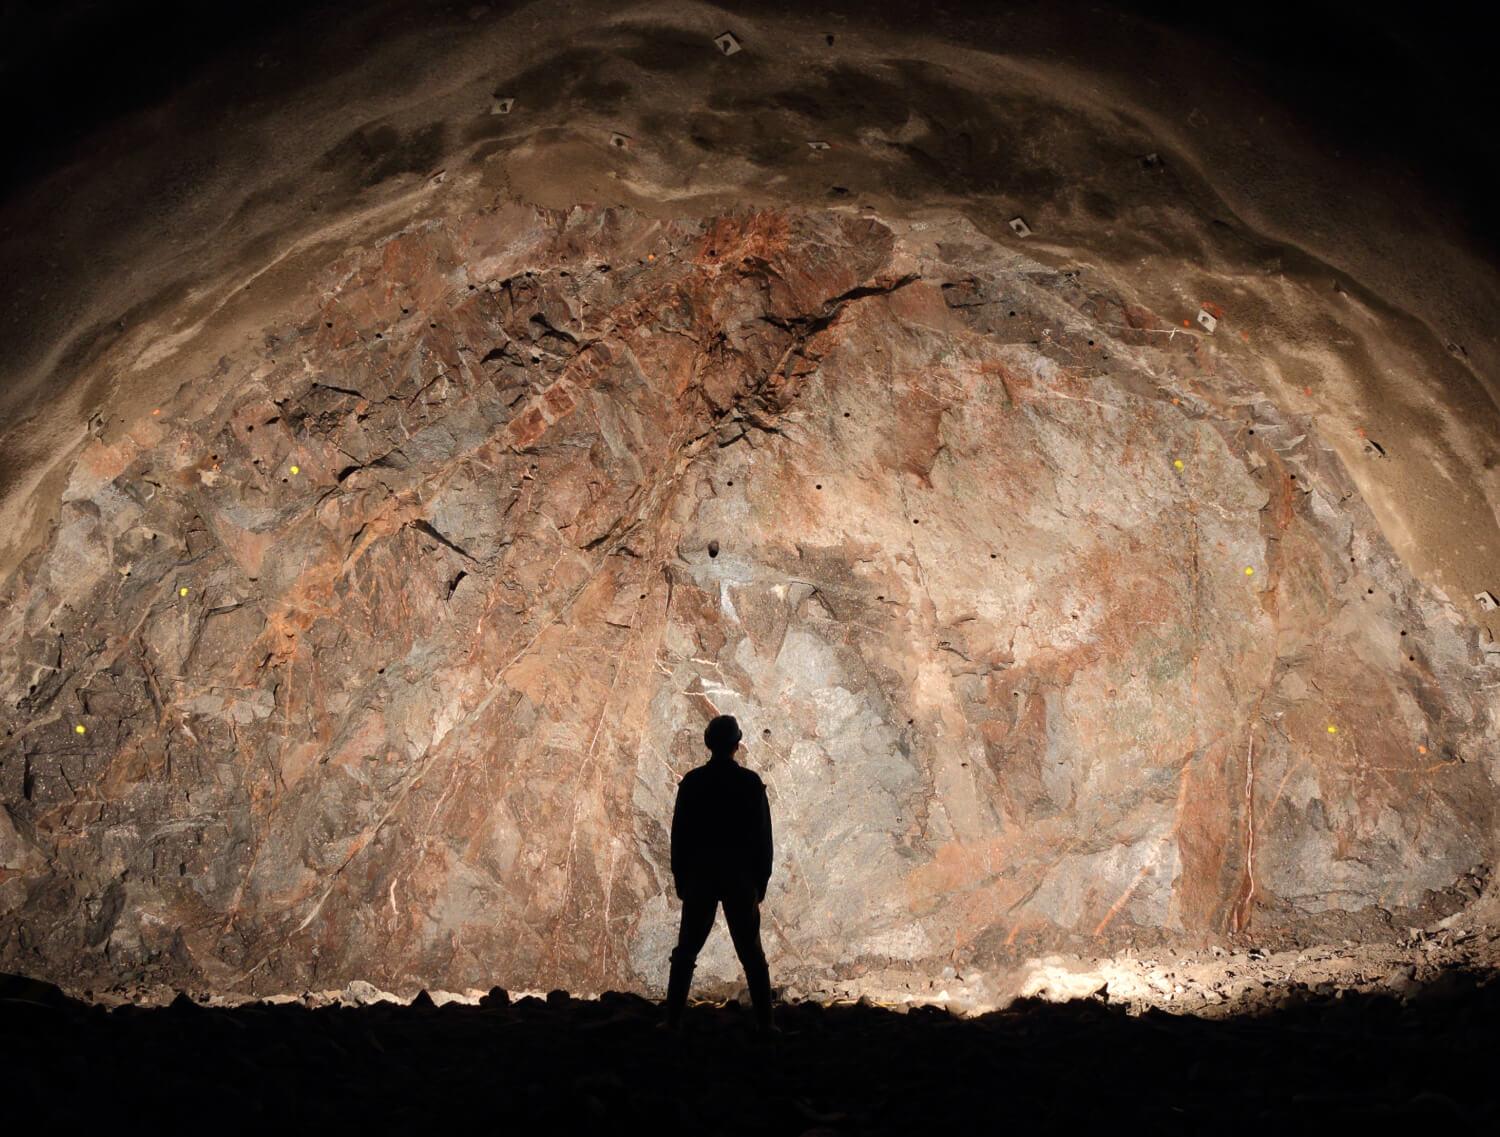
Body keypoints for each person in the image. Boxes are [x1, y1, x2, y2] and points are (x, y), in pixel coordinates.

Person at [664, 713, 774, 1032]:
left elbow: (680, 836)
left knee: (686, 950)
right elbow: (762, 839)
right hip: (740, 877)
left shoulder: (694, 783)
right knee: (752, 953)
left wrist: (681, 878)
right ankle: (767, 1025)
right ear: (737, 744)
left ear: (707, 741)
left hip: (702, 875)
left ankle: (671, 1022)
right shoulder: (750, 784)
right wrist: (760, 882)